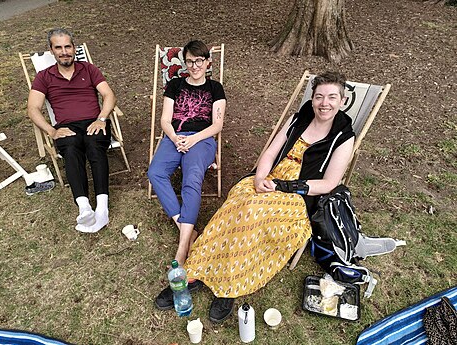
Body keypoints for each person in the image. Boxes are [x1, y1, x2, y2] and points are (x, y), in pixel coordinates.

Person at [155, 71, 356, 323]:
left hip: (299, 195)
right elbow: (270, 152)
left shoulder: (343, 136)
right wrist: (260, 178)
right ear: (313, 99)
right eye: (319, 97)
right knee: (238, 199)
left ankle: (230, 285)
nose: (324, 103)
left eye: (332, 97)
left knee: (253, 211)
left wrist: (284, 187)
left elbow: (328, 183)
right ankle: (194, 271)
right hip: (270, 178)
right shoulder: (300, 118)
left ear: (343, 100)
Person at [27, 28, 116, 233]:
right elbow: (33, 108)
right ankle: (84, 206)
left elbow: (109, 95)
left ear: (74, 48)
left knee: (95, 147)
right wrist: (52, 131)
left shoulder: (89, 69)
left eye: (68, 46)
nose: (64, 51)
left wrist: (102, 119)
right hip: (66, 127)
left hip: (95, 121)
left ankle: (102, 208)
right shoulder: (44, 77)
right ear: (51, 51)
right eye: (58, 47)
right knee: (71, 149)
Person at [147, 40, 226, 266]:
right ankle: (186, 229)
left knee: (191, 179)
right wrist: (175, 138)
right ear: (185, 62)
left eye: (199, 60)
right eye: (189, 61)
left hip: (201, 140)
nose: (194, 66)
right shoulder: (174, 85)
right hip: (175, 136)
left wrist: (192, 139)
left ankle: (182, 250)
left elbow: (216, 125)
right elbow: (164, 119)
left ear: (207, 62)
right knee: (155, 173)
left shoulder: (215, 88)